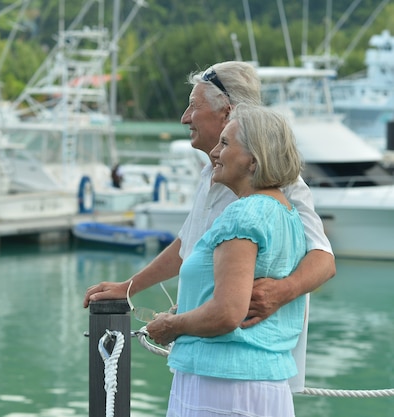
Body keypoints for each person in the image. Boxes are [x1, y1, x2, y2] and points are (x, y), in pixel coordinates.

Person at [83, 61, 335, 388]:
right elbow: (187, 245)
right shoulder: (210, 175)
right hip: (204, 357)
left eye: (193, 107)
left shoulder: (280, 182)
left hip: (246, 364)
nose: (185, 118)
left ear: (226, 112)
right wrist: (128, 288)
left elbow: (323, 259)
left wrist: (280, 292)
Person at [153, 103, 307, 416]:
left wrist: (171, 325)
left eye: (225, 144)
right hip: (264, 383)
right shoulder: (286, 214)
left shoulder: (242, 214)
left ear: (254, 160)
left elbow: (226, 314)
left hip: (222, 387)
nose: (214, 153)